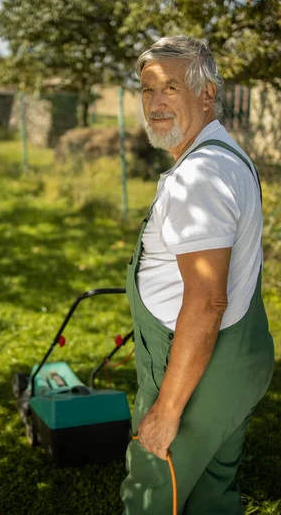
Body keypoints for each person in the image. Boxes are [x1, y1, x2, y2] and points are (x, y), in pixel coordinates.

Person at [120, 35, 274, 515]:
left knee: (150, 497)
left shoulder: (198, 177)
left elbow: (207, 300)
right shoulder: (225, 155)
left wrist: (167, 412)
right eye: (147, 91)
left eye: (170, 88)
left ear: (206, 94)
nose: (155, 104)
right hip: (236, 361)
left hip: (193, 372)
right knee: (212, 496)